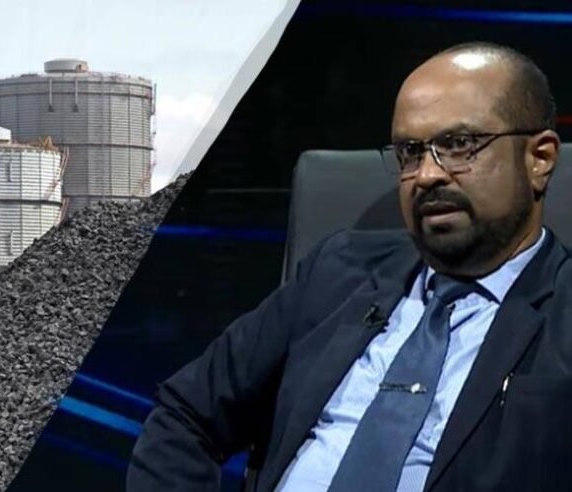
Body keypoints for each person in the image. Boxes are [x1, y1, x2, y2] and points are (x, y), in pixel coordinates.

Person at [126, 41, 572, 492]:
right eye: (410, 152)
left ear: (539, 158)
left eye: (458, 145)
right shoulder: (339, 270)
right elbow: (186, 414)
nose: (427, 175)